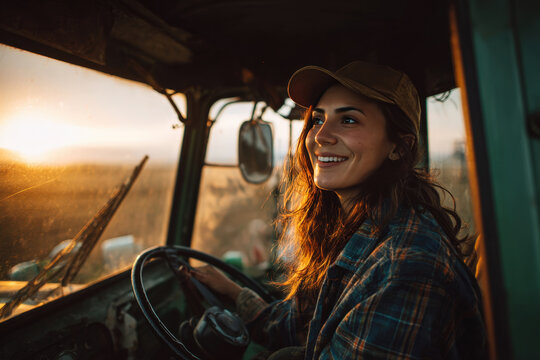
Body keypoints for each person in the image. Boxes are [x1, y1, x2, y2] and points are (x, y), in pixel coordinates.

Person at [191, 61, 487, 359]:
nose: (320, 136)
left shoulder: (407, 264)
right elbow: (297, 326)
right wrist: (233, 292)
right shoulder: (351, 230)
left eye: (349, 120)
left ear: (398, 147)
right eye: (318, 120)